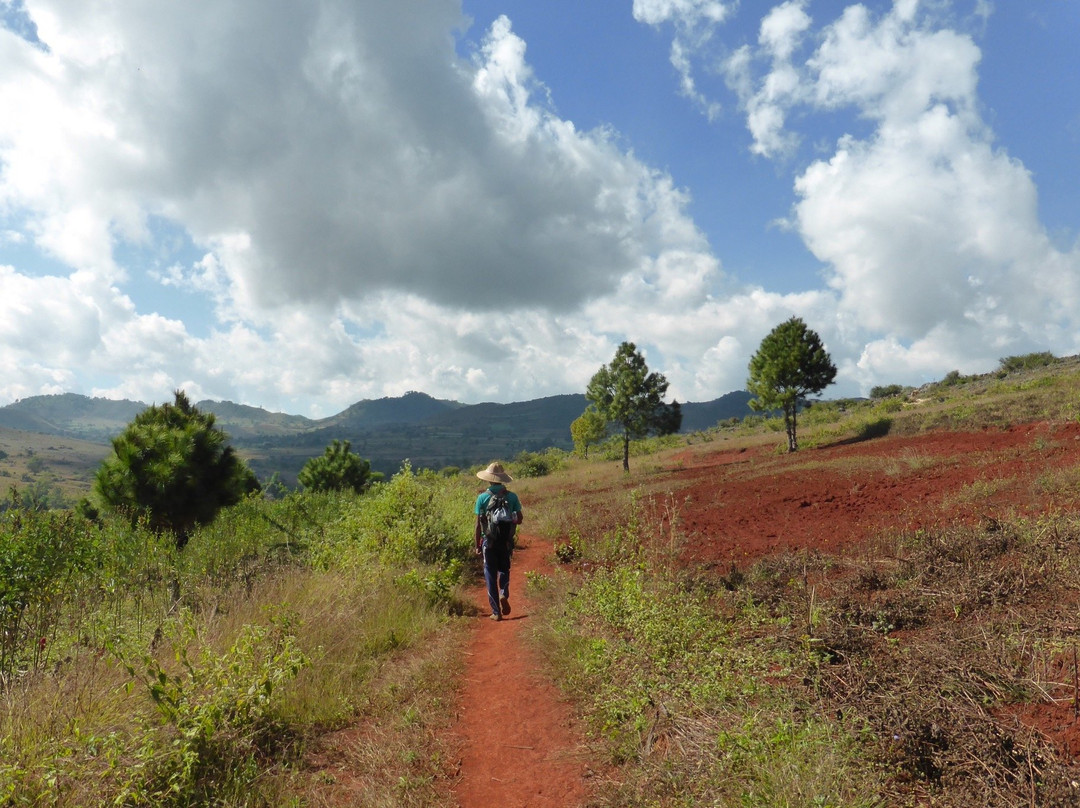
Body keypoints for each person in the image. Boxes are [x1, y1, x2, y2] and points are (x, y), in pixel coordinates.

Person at [474, 461, 523, 621]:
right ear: (502, 479)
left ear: (488, 479)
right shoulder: (512, 496)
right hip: (505, 541)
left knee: (489, 574)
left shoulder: (482, 498)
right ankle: (504, 593)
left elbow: (478, 524)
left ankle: (496, 612)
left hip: (489, 542)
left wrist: (477, 545)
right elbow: (520, 519)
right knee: (504, 570)